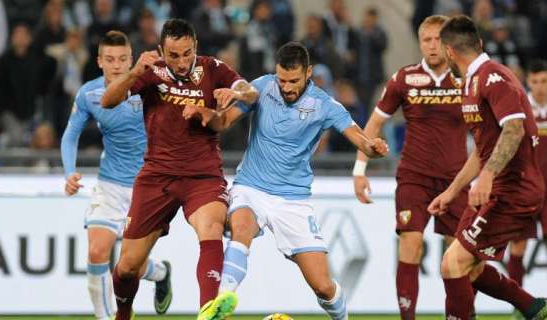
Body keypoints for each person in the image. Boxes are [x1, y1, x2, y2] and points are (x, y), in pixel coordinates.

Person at [184, 42, 388, 320]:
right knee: (241, 226)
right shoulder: (263, 88)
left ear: (308, 73)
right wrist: (209, 115)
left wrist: (372, 148)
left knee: (323, 286)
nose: (287, 87)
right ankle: (221, 301)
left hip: (292, 200)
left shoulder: (325, 105)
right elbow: (225, 121)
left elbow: (360, 139)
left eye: (294, 81)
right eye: (282, 80)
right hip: (251, 186)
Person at [100, 19, 258, 320]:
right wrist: (134, 71)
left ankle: (208, 312)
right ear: (161, 50)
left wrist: (236, 94)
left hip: (203, 175)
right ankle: (123, 313)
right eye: (174, 55)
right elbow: (108, 101)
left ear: (195, 47)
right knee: (127, 266)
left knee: (211, 228)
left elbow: (250, 92)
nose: (182, 62)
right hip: (156, 176)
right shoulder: (151, 71)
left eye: (187, 53)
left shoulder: (213, 69)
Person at [428, 15, 547, 319]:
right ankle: (534, 307)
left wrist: (487, 175)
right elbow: (483, 151)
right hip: (498, 188)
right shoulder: (470, 83)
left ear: (448, 51)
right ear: (480, 43)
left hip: (514, 190)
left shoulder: (494, 77)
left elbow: (515, 129)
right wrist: (452, 190)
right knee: (470, 269)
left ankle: (531, 307)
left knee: (453, 263)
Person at [353, 15, 468, 319]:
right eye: (426, 40)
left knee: (459, 258)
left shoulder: (467, 79)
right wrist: (359, 170)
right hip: (414, 178)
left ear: (449, 43)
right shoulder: (404, 78)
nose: (432, 46)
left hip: (457, 181)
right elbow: (375, 124)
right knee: (410, 245)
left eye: (438, 39)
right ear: (420, 43)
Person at [61, 31, 172, 320]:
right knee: (98, 252)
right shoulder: (90, 93)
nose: (116, 65)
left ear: (131, 60)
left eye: (122, 59)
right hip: (109, 184)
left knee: (129, 265)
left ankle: (161, 273)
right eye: (109, 59)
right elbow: (70, 135)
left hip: (147, 186)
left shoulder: (149, 86)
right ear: (99, 61)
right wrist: (70, 172)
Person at [507, 59, 547, 319]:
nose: (539, 87)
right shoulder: (519, 110)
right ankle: (519, 306)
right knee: (517, 249)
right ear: (528, 82)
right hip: (525, 190)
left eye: (544, 81)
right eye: (535, 81)